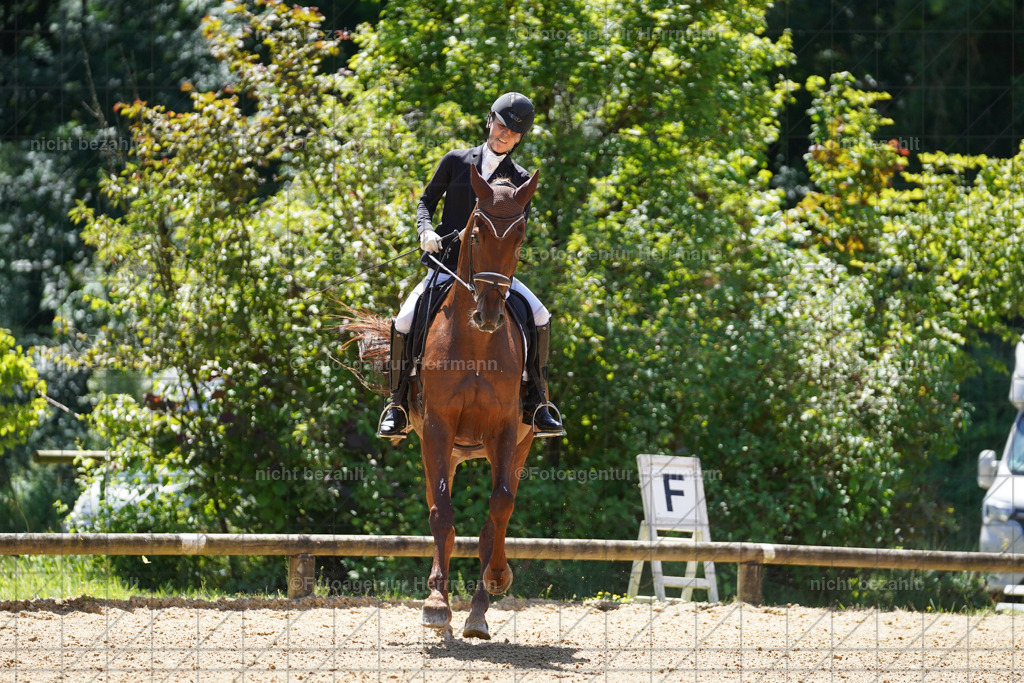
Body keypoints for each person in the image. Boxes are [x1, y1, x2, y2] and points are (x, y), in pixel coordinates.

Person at [377, 92, 565, 439]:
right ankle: (398, 404)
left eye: (513, 133)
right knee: (404, 319)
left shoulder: (521, 180)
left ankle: (537, 402)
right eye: (501, 126)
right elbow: (426, 201)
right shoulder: (457, 161)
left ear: (519, 139)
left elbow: (516, 230)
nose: (504, 135)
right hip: (446, 268)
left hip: (492, 275)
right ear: (490, 121)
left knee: (540, 316)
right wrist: (426, 230)